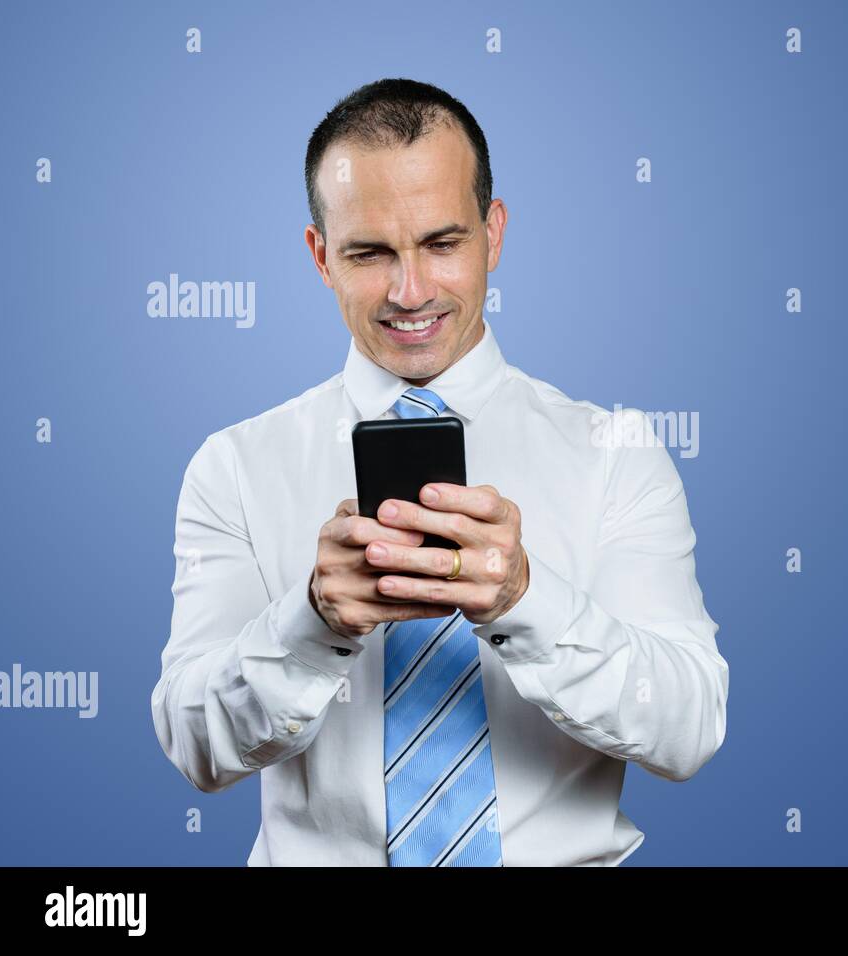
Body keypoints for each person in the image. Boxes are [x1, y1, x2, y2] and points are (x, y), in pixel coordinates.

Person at [150, 78, 729, 866]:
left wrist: (527, 601)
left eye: (442, 243)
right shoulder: (235, 467)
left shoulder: (615, 453)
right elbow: (194, 744)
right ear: (321, 256)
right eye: (369, 252)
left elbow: (688, 729)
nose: (410, 291)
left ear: (494, 233)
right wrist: (312, 623)